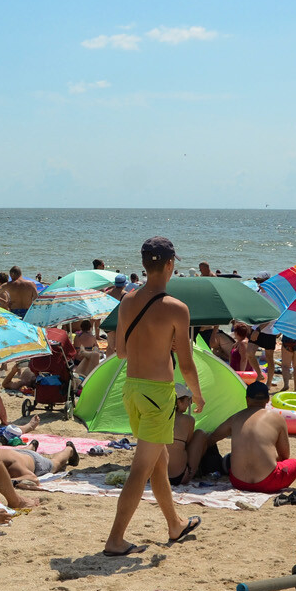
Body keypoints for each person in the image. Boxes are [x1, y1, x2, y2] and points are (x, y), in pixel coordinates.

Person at [102, 237, 204, 556]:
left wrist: (151, 345)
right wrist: (198, 397)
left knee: (159, 462)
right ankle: (115, 539)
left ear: (145, 265)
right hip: (157, 394)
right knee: (140, 469)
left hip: (131, 388)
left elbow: (119, 352)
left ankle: (174, 524)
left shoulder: (128, 300)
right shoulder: (177, 308)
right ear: (171, 265)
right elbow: (186, 365)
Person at [218, 381, 296, 492]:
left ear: (247, 399)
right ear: (268, 400)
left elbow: (212, 437)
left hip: (238, 482)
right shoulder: (277, 418)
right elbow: (284, 456)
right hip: (270, 482)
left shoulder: (235, 418)